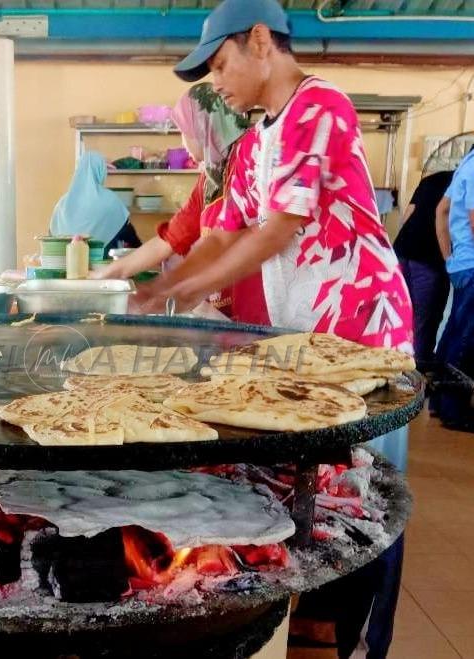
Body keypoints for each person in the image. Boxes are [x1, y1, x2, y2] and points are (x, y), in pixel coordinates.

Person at [148, 1, 414, 656]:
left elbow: (277, 229)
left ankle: (354, 642)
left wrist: (179, 289)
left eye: (218, 64)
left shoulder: (320, 107)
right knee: (315, 486)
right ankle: (307, 631)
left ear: (259, 41)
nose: (215, 82)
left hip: (363, 336)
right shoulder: (255, 140)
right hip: (307, 342)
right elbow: (223, 233)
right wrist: (156, 294)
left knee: (362, 499)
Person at [96, 83, 268, 325]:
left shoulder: (253, 169)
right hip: (223, 314)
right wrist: (110, 274)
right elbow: (171, 239)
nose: (184, 145)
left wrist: (167, 289)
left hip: (259, 314)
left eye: (183, 132)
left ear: (202, 129)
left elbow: (250, 243)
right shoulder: (209, 181)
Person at [393, 171, 454, 371]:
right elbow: (444, 216)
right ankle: (416, 379)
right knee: (424, 322)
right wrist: (450, 260)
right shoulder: (466, 180)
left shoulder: (432, 179)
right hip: (430, 257)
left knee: (399, 316)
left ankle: (395, 371)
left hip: (402, 250)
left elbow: (407, 215)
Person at [49, 151, 140, 254]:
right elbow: (128, 234)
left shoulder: (62, 203)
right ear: (100, 172)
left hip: (66, 264)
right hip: (101, 266)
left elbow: (51, 236)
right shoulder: (110, 200)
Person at [435, 150, 474, 376]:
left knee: (455, 332)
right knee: (466, 340)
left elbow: (441, 210)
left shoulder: (466, 164)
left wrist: (449, 258)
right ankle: (451, 407)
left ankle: (440, 400)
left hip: (462, 263)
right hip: (470, 263)